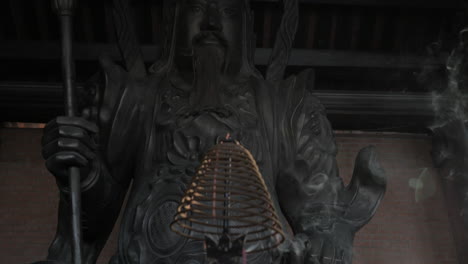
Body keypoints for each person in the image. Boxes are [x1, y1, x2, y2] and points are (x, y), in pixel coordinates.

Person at [41, 0, 386, 263]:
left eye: (227, 12)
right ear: (171, 24)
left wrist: (325, 239)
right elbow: (91, 221)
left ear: (246, 31)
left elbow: (318, 209)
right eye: (196, 8)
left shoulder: (284, 107)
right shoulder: (134, 99)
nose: (210, 24)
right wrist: (82, 172)